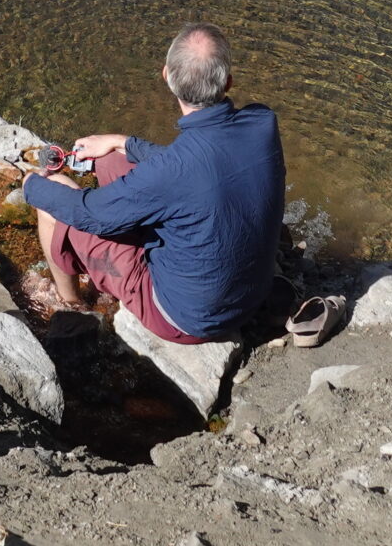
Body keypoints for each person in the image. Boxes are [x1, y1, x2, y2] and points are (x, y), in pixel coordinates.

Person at [20, 23, 285, 346]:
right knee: (110, 159)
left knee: (55, 198)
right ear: (228, 81)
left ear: (166, 76)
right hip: (250, 295)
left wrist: (32, 185)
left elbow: (90, 213)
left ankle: (69, 302)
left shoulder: (172, 169)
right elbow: (203, 165)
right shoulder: (263, 122)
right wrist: (123, 142)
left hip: (186, 320)